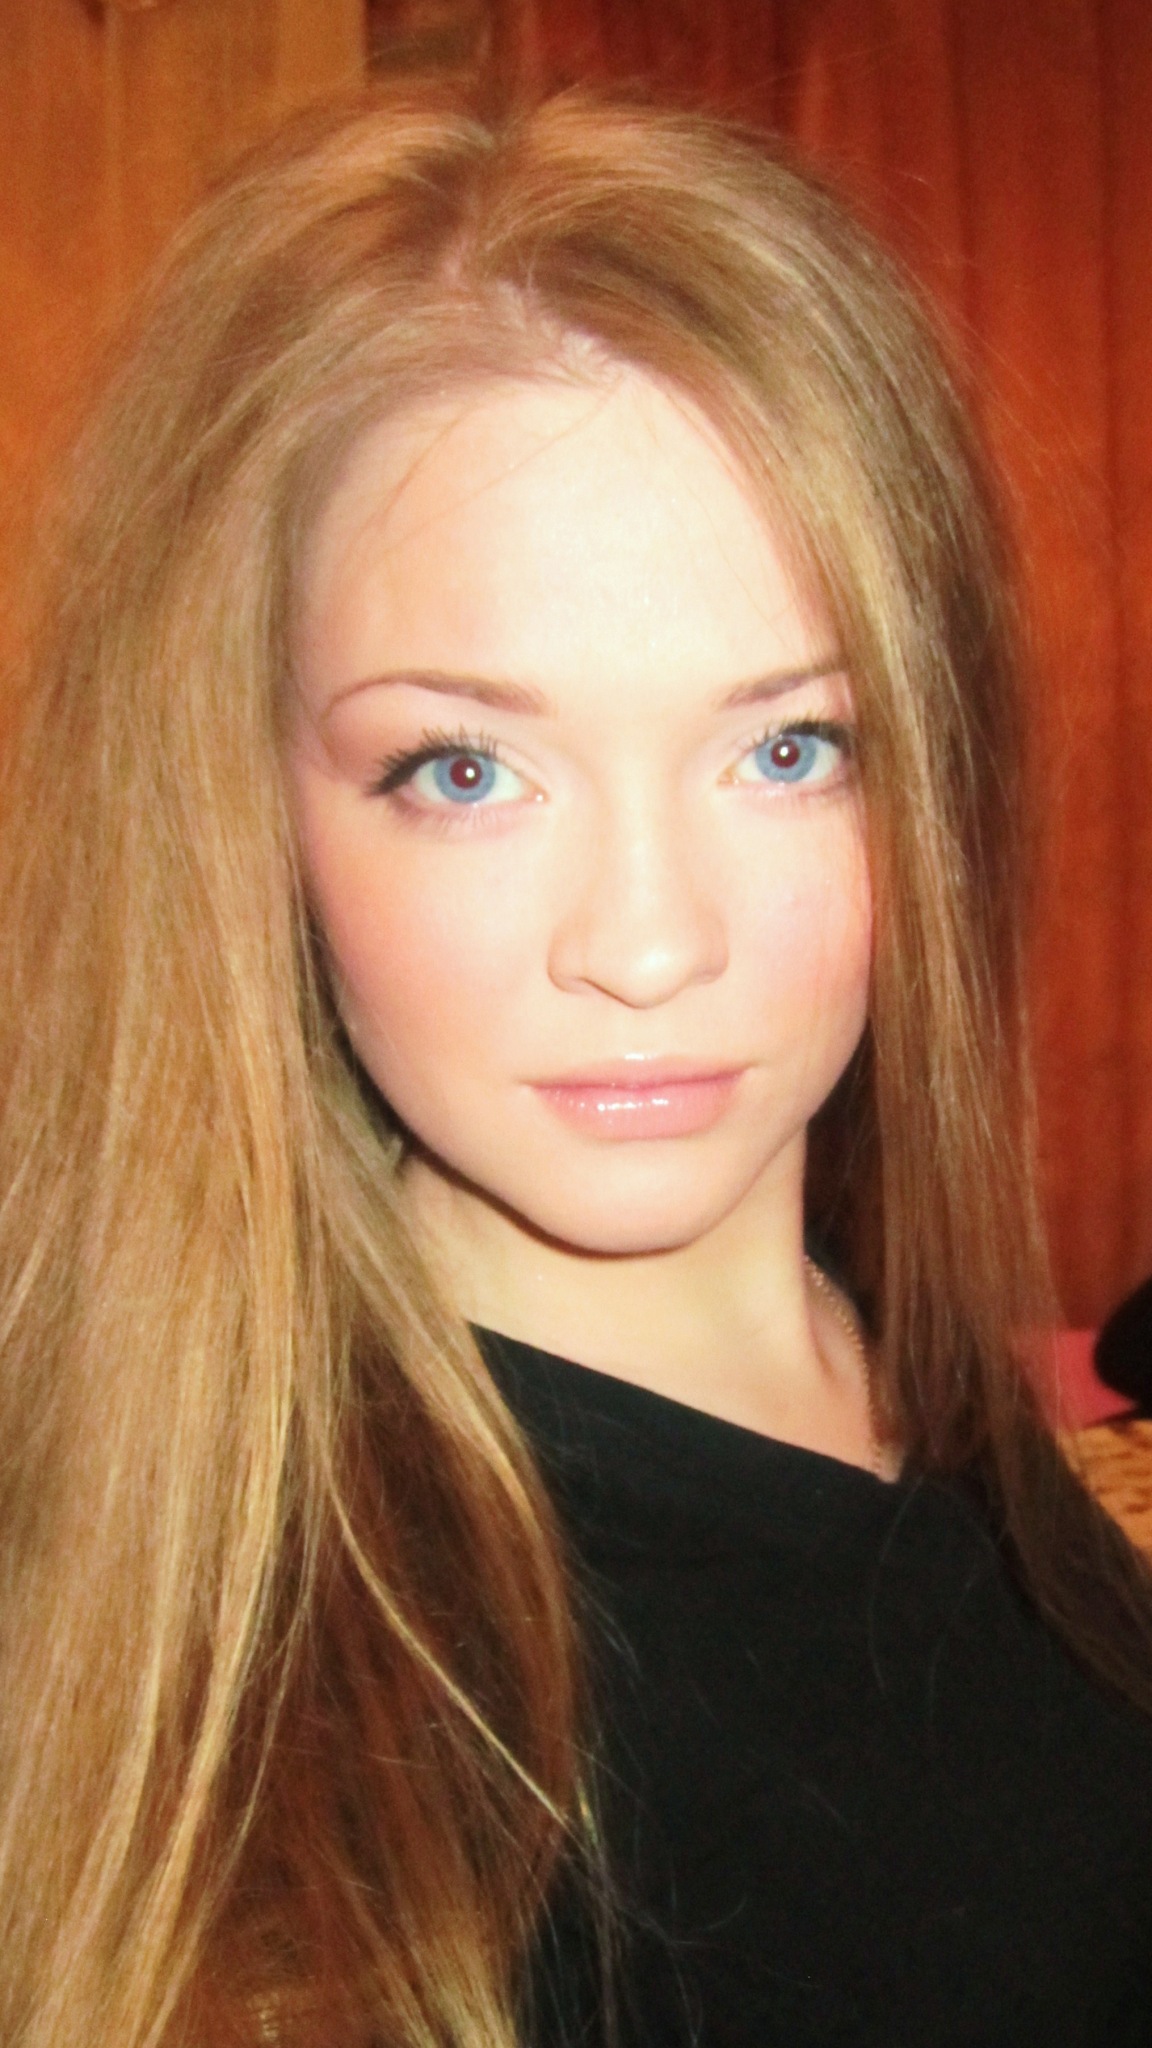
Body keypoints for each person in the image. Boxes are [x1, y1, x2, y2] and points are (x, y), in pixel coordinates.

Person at [0, 82, 1150, 2048]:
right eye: (465, 769)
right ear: (249, 809)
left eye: (788, 748)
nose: (646, 942)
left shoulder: (905, 1361)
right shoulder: (270, 1729)